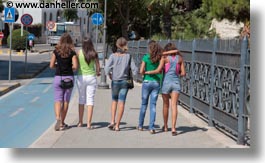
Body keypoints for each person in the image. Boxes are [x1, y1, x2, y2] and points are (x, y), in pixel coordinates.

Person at [145, 43, 186, 136]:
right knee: (174, 105)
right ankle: (174, 128)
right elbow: (183, 73)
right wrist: (177, 72)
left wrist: (148, 72)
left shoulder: (165, 58)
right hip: (176, 83)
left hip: (166, 83)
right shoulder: (179, 59)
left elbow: (159, 70)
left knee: (165, 105)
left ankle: (166, 126)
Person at [105, 37, 138, 131]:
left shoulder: (112, 56)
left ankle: (112, 121)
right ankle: (117, 125)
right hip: (125, 82)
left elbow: (107, 68)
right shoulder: (128, 56)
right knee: (122, 102)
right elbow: (135, 70)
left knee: (114, 100)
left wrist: (110, 75)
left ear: (117, 45)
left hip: (115, 81)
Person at [49, 33, 78, 131]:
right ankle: (62, 123)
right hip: (69, 78)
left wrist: (58, 66)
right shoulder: (72, 52)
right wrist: (69, 67)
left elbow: (51, 65)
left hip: (58, 77)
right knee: (66, 101)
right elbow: (75, 67)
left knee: (58, 100)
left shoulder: (56, 51)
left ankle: (57, 118)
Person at [138, 40, 163, 134]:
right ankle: (151, 127)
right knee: (153, 105)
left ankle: (140, 125)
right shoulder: (159, 58)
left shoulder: (146, 57)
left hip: (146, 82)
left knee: (144, 104)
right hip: (156, 82)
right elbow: (159, 70)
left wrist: (146, 72)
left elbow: (141, 71)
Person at [76, 37, 100, 129]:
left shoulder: (79, 53)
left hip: (81, 77)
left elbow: (76, 65)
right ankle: (89, 124)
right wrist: (97, 73)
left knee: (81, 99)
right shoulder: (94, 53)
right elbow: (98, 68)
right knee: (90, 100)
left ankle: (80, 122)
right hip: (91, 78)